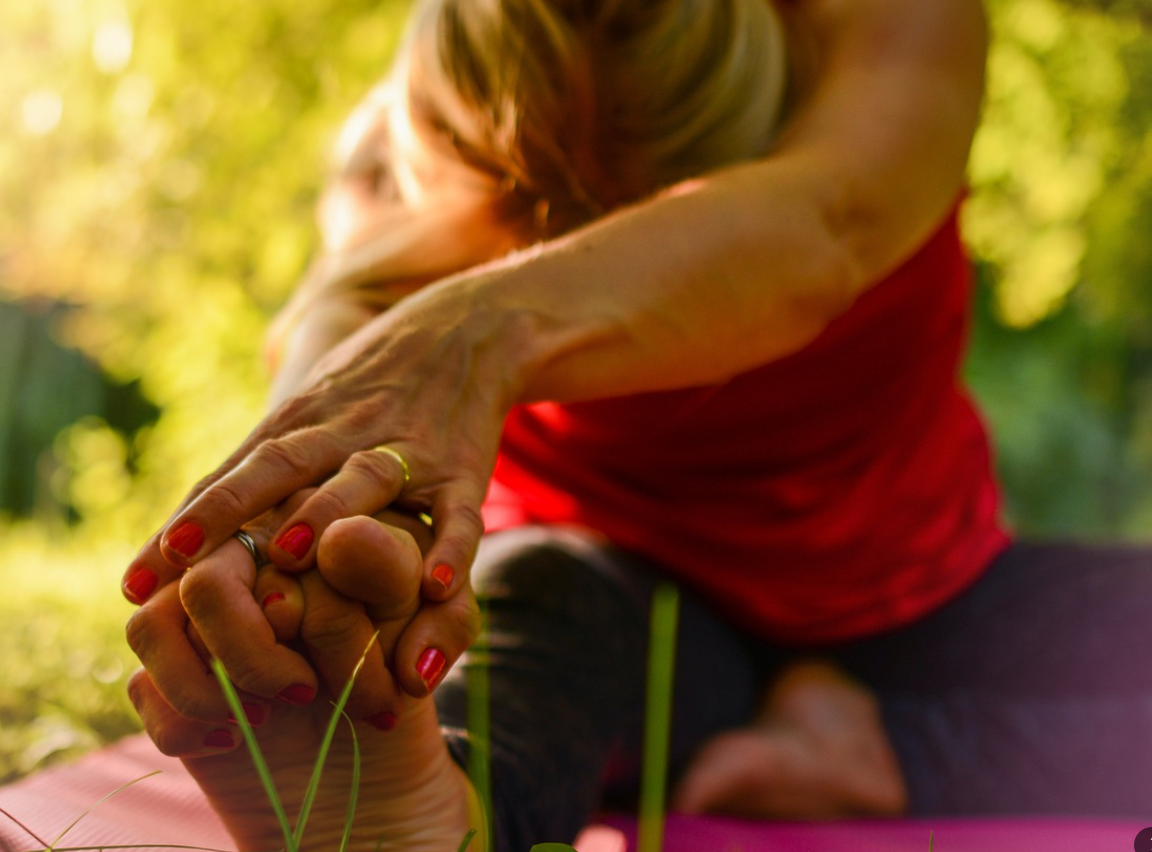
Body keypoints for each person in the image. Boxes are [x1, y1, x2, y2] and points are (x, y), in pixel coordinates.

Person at [120, 0, 1152, 849]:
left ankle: (879, 747)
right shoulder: (412, 138)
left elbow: (825, 224)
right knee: (538, 629)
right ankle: (423, 810)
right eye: (538, 215)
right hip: (617, 591)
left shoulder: (890, 29)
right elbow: (335, 338)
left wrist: (472, 326)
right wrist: (296, 557)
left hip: (923, 596)